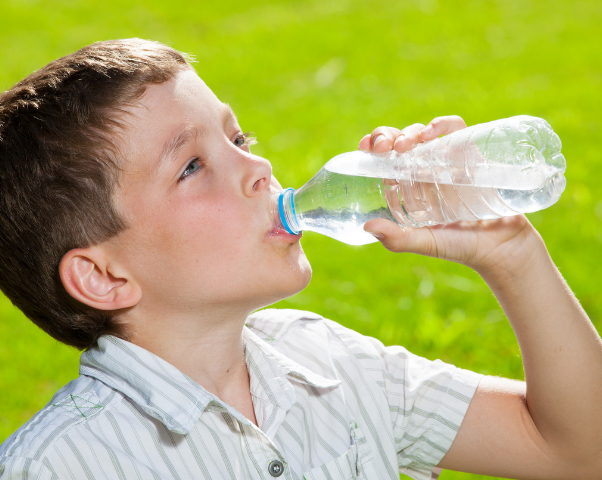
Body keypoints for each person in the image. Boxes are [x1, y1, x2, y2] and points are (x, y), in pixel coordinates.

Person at [0, 38, 600, 480]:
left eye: (238, 140)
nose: (258, 169)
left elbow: (578, 449)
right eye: (191, 166)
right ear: (104, 276)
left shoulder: (326, 362)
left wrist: (511, 254)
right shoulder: (59, 466)